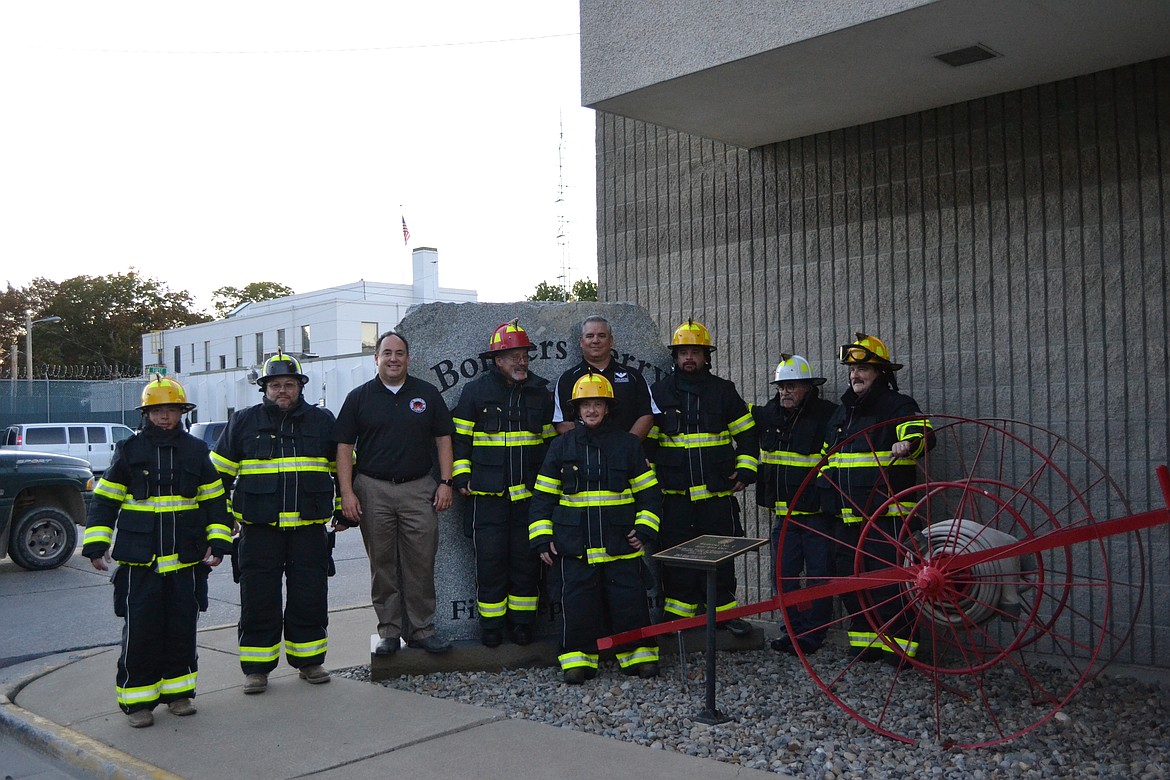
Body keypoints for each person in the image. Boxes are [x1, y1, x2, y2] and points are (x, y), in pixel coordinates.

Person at [81, 376, 232, 729]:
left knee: (182, 629)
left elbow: (214, 502)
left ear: (182, 412)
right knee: (141, 632)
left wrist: (220, 541)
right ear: (147, 414)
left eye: (172, 410)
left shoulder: (197, 452)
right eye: (158, 410)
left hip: (187, 560)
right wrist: (95, 544)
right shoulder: (129, 451)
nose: (165, 417)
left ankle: (179, 695)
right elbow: (104, 502)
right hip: (140, 562)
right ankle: (138, 703)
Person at [211, 351, 342, 694]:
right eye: (275, 385)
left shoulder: (322, 421)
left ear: (300, 387)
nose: (282, 391)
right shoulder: (242, 422)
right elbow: (216, 478)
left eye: (289, 384)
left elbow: (344, 470)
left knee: (309, 595)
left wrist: (343, 508)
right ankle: (257, 669)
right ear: (264, 389)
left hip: (308, 529)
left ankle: (310, 661)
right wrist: (224, 518)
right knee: (258, 599)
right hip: (259, 530)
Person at [529, 372, 663, 683]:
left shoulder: (628, 445)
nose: (591, 410)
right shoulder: (561, 447)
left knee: (630, 604)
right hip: (574, 546)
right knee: (577, 606)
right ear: (576, 409)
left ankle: (639, 656)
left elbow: (649, 494)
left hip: (620, 544)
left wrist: (644, 530)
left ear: (607, 408)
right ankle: (578, 660)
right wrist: (541, 537)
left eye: (597, 404)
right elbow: (542, 498)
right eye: (585, 404)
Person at [335, 331, 455, 655]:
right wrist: (347, 493)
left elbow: (444, 439)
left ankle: (422, 630)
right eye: (386, 353)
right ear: (376, 358)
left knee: (421, 562)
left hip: (419, 488)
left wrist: (446, 482)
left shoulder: (426, 394)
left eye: (399, 353)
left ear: (408, 358)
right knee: (382, 565)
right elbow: (343, 448)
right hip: (373, 490)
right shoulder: (358, 398)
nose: (393, 359)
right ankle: (389, 631)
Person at [820, 332, 933, 663]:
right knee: (850, 582)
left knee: (890, 584)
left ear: (881, 372)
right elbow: (826, 459)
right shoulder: (843, 413)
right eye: (852, 370)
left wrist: (908, 445)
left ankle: (901, 649)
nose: (855, 375)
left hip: (889, 517)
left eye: (864, 369)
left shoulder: (897, 405)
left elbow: (921, 433)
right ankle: (865, 641)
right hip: (848, 518)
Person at [646, 319, 758, 633]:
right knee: (676, 557)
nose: (689, 358)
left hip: (716, 495)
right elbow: (650, 445)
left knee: (721, 555)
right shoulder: (659, 392)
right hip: (676, 496)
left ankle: (723, 616)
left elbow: (747, 435)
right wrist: (653, 487)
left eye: (695, 351)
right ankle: (679, 619)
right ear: (675, 357)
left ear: (706, 356)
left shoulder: (724, 391)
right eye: (684, 352)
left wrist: (747, 468)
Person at [451, 320, 556, 647]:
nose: (520, 361)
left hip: (529, 498)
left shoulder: (541, 392)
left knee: (526, 564)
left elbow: (551, 445)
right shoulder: (476, 392)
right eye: (512, 356)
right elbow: (461, 439)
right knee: (491, 563)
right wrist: (461, 476)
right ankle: (492, 627)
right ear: (497, 360)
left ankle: (523, 624)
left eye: (523, 354)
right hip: (487, 496)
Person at [752, 354, 838, 655]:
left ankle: (812, 636)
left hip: (816, 517)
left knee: (818, 579)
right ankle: (792, 631)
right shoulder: (768, 414)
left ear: (808, 387)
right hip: (783, 518)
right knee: (783, 577)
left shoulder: (828, 415)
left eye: (792, 386)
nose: (785, 392)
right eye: (781, 387)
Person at [552, 315, 655, 439]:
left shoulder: (633, 376)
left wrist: (627, 447)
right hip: (585, 456)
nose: (595, 340)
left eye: (601, 335)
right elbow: (561, 424)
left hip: (625, 455)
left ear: (611, 340)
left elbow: (647, 416)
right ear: (581, 341)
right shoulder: (567, 379)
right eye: (590, 336)